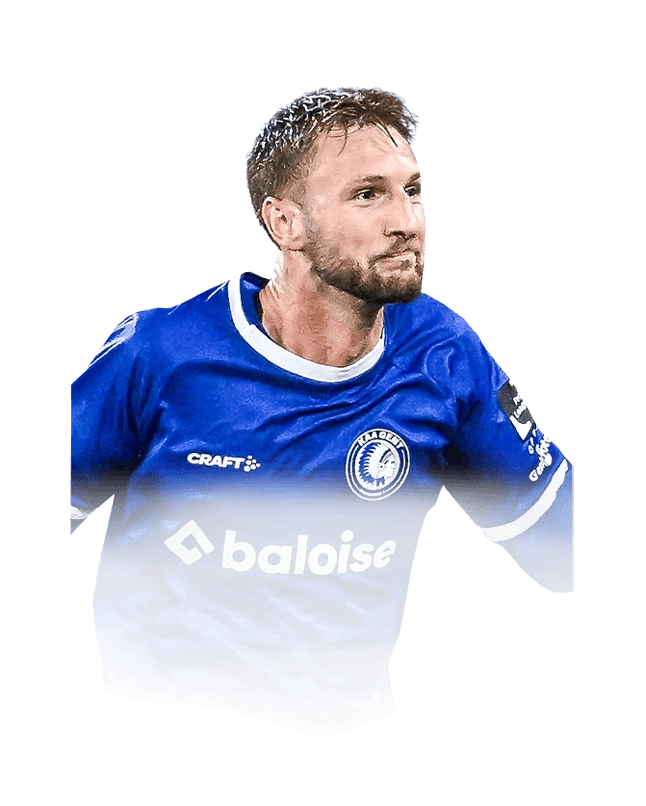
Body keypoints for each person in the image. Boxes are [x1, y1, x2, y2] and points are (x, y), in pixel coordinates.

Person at [69, 86, 575, 742]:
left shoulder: (445, 355)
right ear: (285, 223)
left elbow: (564, 554)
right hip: (154, 717)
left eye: (412, 190)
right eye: (367, 194)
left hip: (345, 738)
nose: (407, 221)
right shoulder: (159, 354)